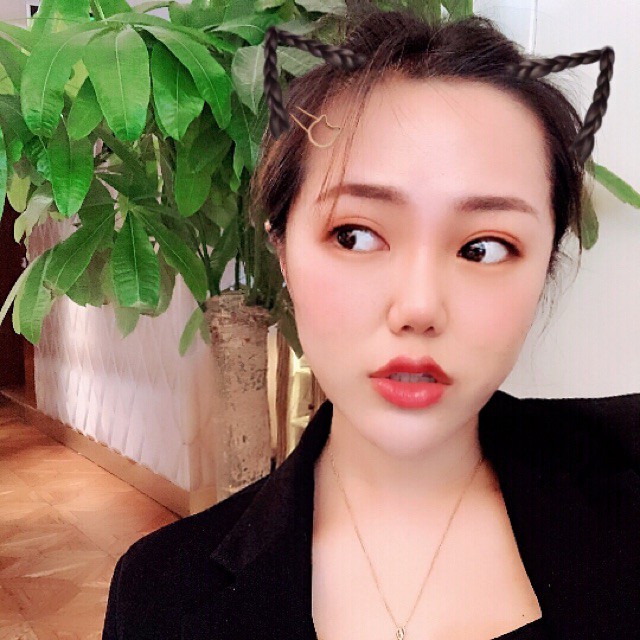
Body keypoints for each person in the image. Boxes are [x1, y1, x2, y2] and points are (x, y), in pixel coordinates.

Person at [102, 6, 638, 640]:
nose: (418, 308)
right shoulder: (162, 598)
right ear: (282, 249)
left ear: (545, 265)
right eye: (354, 235)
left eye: (484, 247)